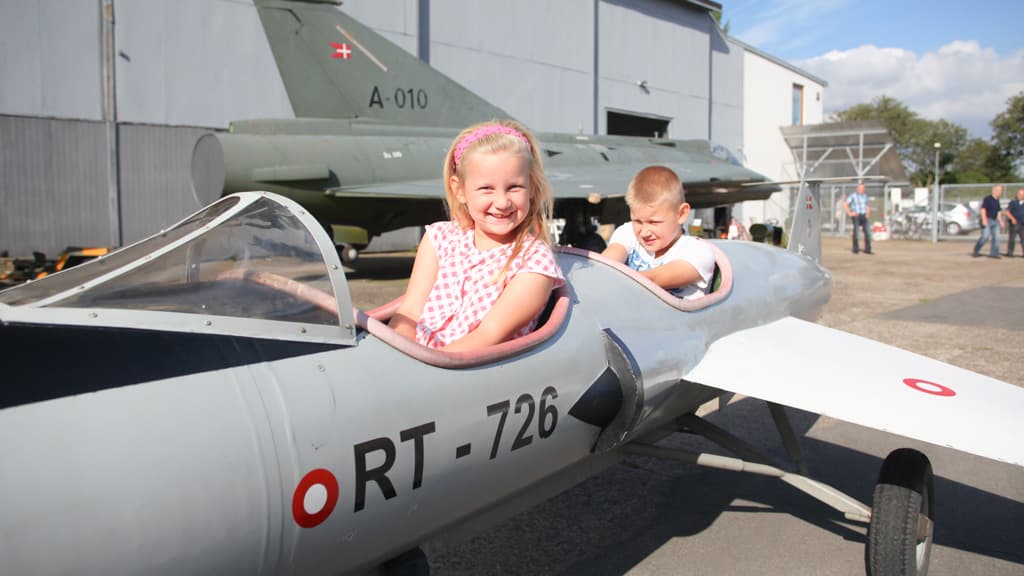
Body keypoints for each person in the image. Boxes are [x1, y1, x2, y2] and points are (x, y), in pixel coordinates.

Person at [389, 120, 565, 351]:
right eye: (486, 188)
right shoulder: (440, 238)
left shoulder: (534, 261)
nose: (502, 202)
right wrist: (397, 357)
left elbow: (488, 334)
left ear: (531, 187)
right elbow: (409, 313)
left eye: (514, 187)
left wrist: (422, 366)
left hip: (473, 368)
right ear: (459, 190)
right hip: (416, 359)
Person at [601, 165, 715, 299]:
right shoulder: (628, 233)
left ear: (681, 214)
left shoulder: (698, 252)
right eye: (637, 221)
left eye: (654, 222)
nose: (644, 232)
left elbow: (651, 280)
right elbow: (604, 267)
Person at [973, 184, 1004, 259]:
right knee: (985, 236)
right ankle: (976, 250)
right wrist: (984, 220)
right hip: (987, 219)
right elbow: (983, 209)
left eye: (1001, 190)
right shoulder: (987, 199)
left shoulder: (997, 200)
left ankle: (994, 254)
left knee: (996, 238)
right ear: (994, 190)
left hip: (995, 221)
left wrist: (1001, 221)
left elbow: (998, 211)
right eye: (998, 190)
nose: (1000, 192)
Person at [844, 183, 872, 254]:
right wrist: (850, 213)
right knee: (856, 232)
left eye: (863, 188)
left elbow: (867, 205)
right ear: (857, 189)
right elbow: (845, 204)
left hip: (864, 215)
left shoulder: (865, 196)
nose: (861, 190)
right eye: (860, 188)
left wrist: (868, 214)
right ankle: (855, 249)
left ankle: (868, 249)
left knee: (868, 232)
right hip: (856, 215)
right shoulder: (853, 196)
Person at [1005, 188, 1024, 257]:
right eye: (1018, 194)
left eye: (1021, 194)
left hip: (1023, 224)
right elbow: (1007, 212)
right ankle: (1010, 253)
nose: (1019, 195)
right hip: (1014, 224)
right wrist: (1012, 219)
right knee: (1012, 239)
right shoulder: (1013, 202)